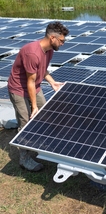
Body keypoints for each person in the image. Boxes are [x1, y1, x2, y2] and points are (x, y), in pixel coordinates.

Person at [8, 21, 69, 172]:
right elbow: (30, 80)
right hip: (19, 89)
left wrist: (53, 83)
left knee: (46, 115)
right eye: (61, 40)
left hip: (34, 87)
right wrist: (33, 106)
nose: (63, 44)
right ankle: (24, 158)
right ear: (52, 38)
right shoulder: (32, 53)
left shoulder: (49, 50)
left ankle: (40, 144)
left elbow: (42, 70)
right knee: (26, 122)